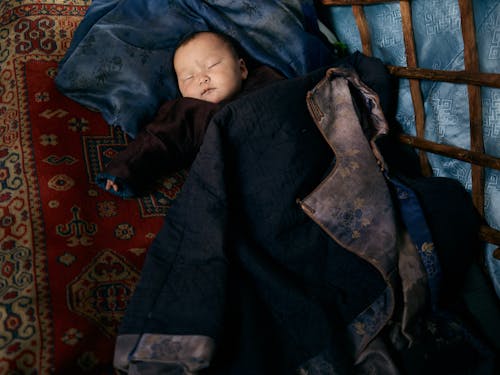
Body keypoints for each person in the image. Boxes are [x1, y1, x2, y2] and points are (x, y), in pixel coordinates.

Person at [99, 30, 284, 196]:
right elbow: (155, 140)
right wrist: (123, 170)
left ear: (242, 69)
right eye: (189, 77)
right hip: (252, 175)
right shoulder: (186, 112)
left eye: (212, 65)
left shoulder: (266, 79)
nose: (202, 78)